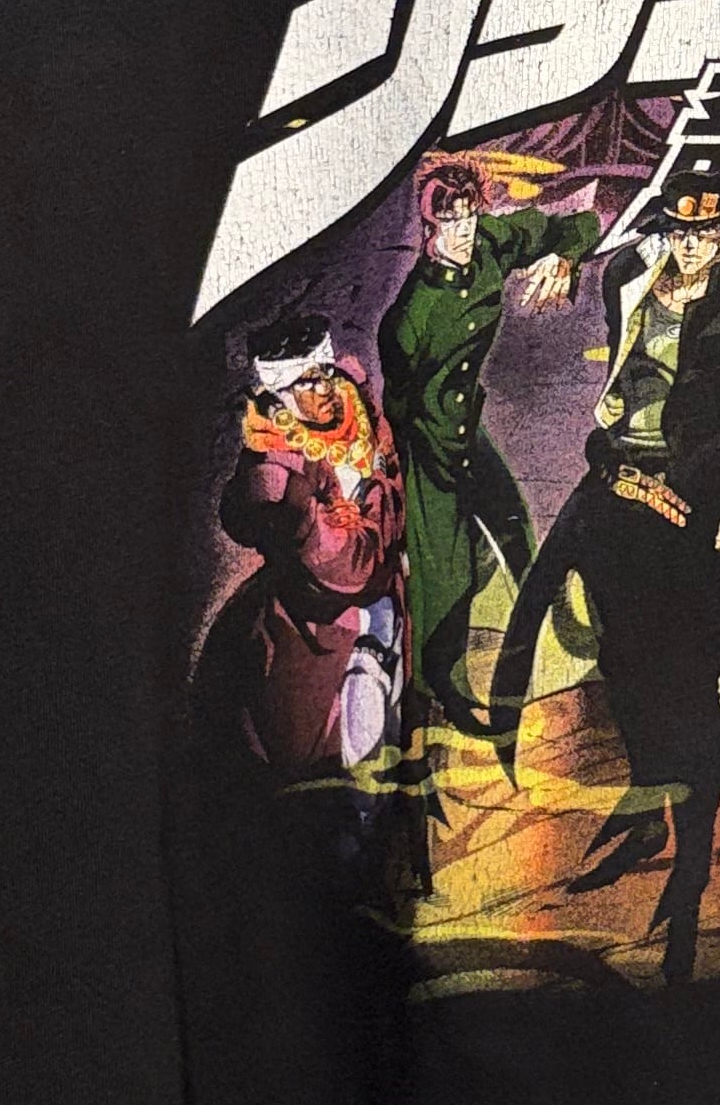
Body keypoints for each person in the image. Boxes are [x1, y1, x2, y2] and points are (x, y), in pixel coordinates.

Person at [490, 163, 720, 984]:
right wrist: (565, 253)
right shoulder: (632, 271)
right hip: (619, 490)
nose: (692, 247)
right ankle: (647, 810)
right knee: (622, 660)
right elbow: (591, 230)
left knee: (690, 679)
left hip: (706, 506)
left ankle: (693, 866)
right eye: (680, 231)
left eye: (708, 232)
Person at [374, 160, 598, 728]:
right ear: (429, 227)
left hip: (467, 430)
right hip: (427, 450)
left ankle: (553, 634)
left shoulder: (493, 243)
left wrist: (563, 258)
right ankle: (437, 695)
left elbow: (582, 223)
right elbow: (399, 407)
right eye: (450, 220)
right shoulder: (412, 316)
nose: (464, 229)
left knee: (516, 527)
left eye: (470, 214)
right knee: (445, 581)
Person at [196, 331, 408, 781]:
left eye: (324, 374)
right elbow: (352, 565)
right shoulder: (276, 468)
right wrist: (367, 502)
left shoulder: (359, 412)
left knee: (391, 726)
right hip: (324, 632)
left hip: (388, 606)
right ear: (280, 395)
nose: (324, 389)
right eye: (306, 383)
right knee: (350, 751)